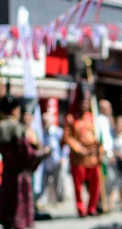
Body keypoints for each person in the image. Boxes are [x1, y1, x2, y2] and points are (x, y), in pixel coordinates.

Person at [0, 95, 49, 229]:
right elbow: (27, 153)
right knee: (19, 209)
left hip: (6, 174)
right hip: (19, 176)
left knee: (7, 208)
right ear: (15, 110)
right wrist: (43, 153)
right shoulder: (17, 128)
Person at [63, 87, 101, 217]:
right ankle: (81, 209)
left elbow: (97, 135)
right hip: (78, 157)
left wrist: (98, 149)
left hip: (92, 156)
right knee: (78, 186)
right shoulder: (71, 118)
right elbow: (67, 137)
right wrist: (79, 149)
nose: (84, 106)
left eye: (86, 103)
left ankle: (92, 207)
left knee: (95, 184)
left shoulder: (91, 117)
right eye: (82, 103)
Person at [39, 112, 64, 205]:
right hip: (46, 161)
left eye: (46, 121)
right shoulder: (42, 132)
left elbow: (64, 146)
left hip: (56, 160)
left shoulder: (57, 132)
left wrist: (63, 157)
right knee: (44, 182)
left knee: (58, 182)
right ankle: (41, 201)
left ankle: (59, 200)